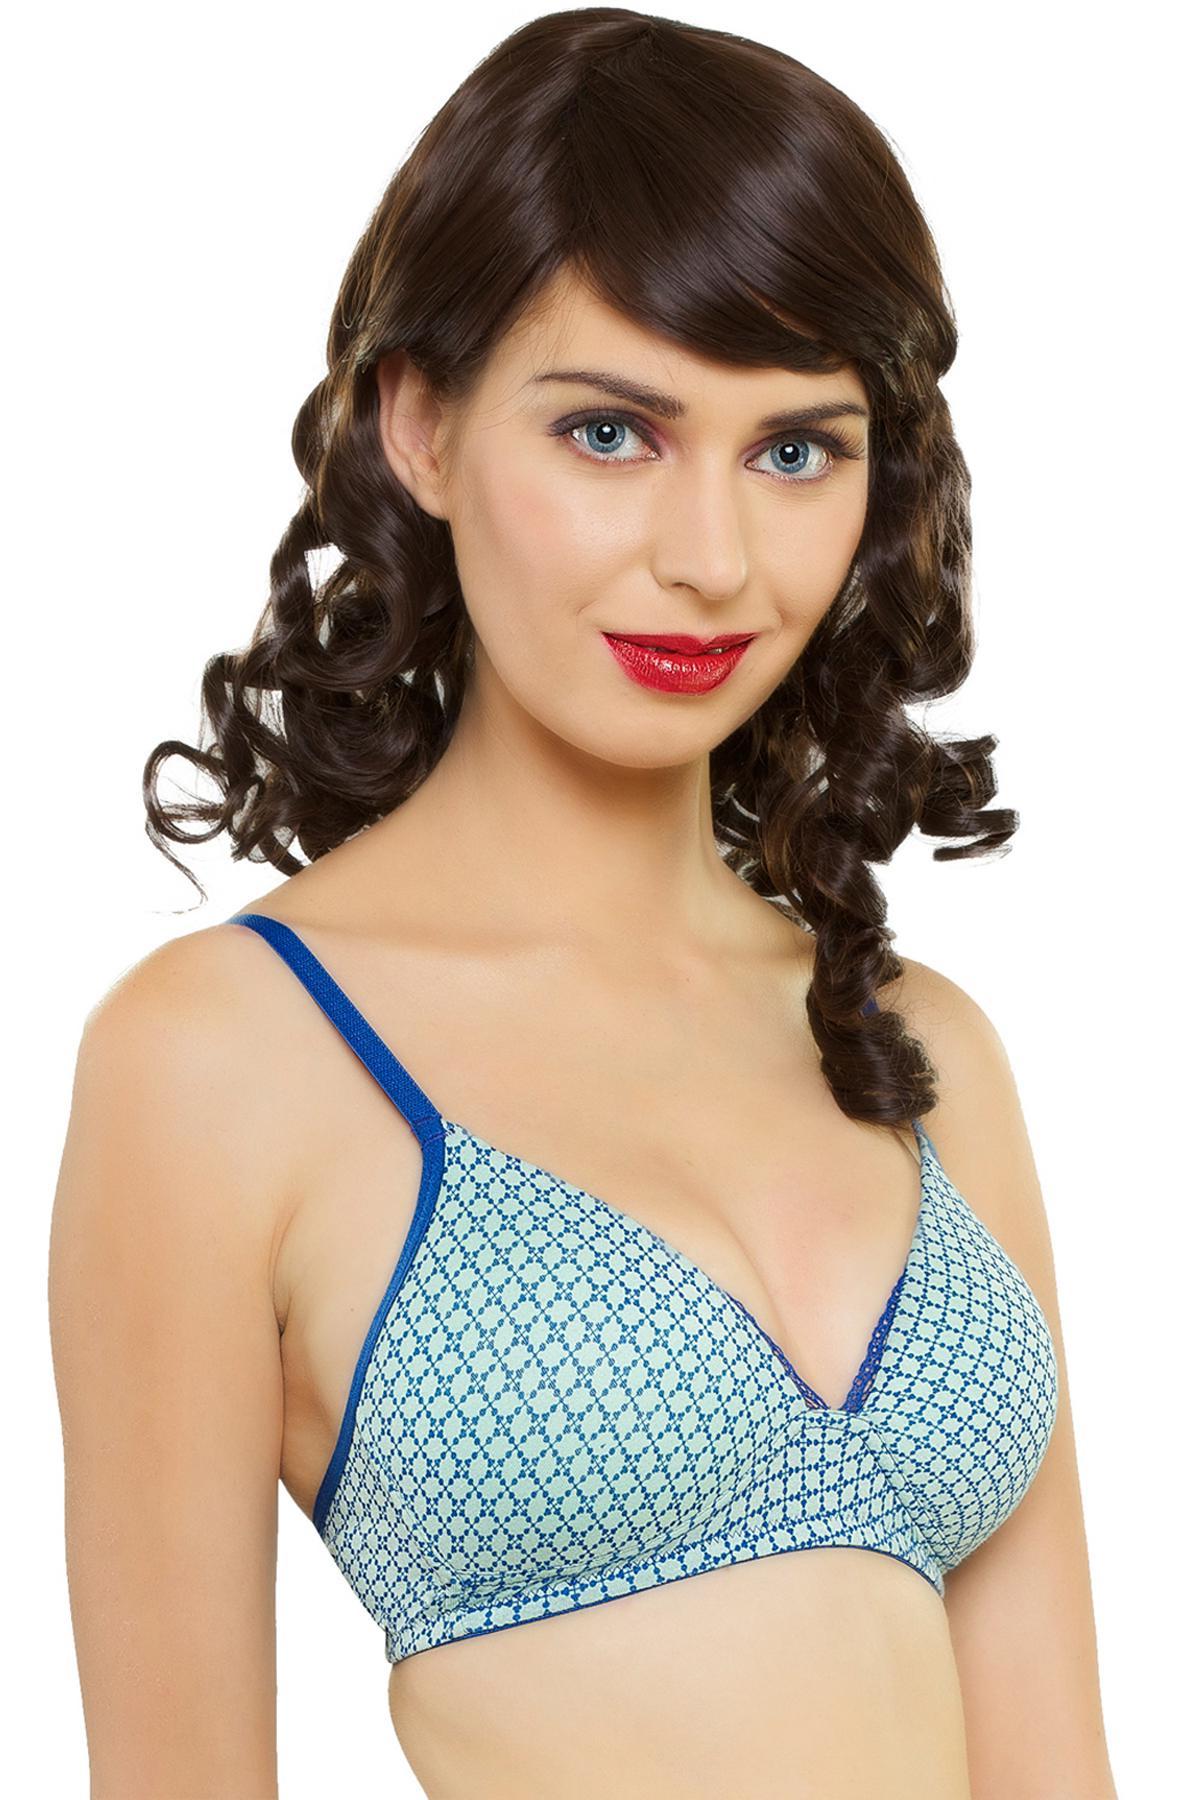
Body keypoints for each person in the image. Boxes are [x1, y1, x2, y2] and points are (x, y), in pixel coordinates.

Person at [48, 9, 1118, 1798]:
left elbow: (1057, 1764)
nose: (712, 557)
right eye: (613, 433)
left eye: (798, 450)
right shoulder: (224, 1059)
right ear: (421, 425)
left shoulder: (919, 1049)